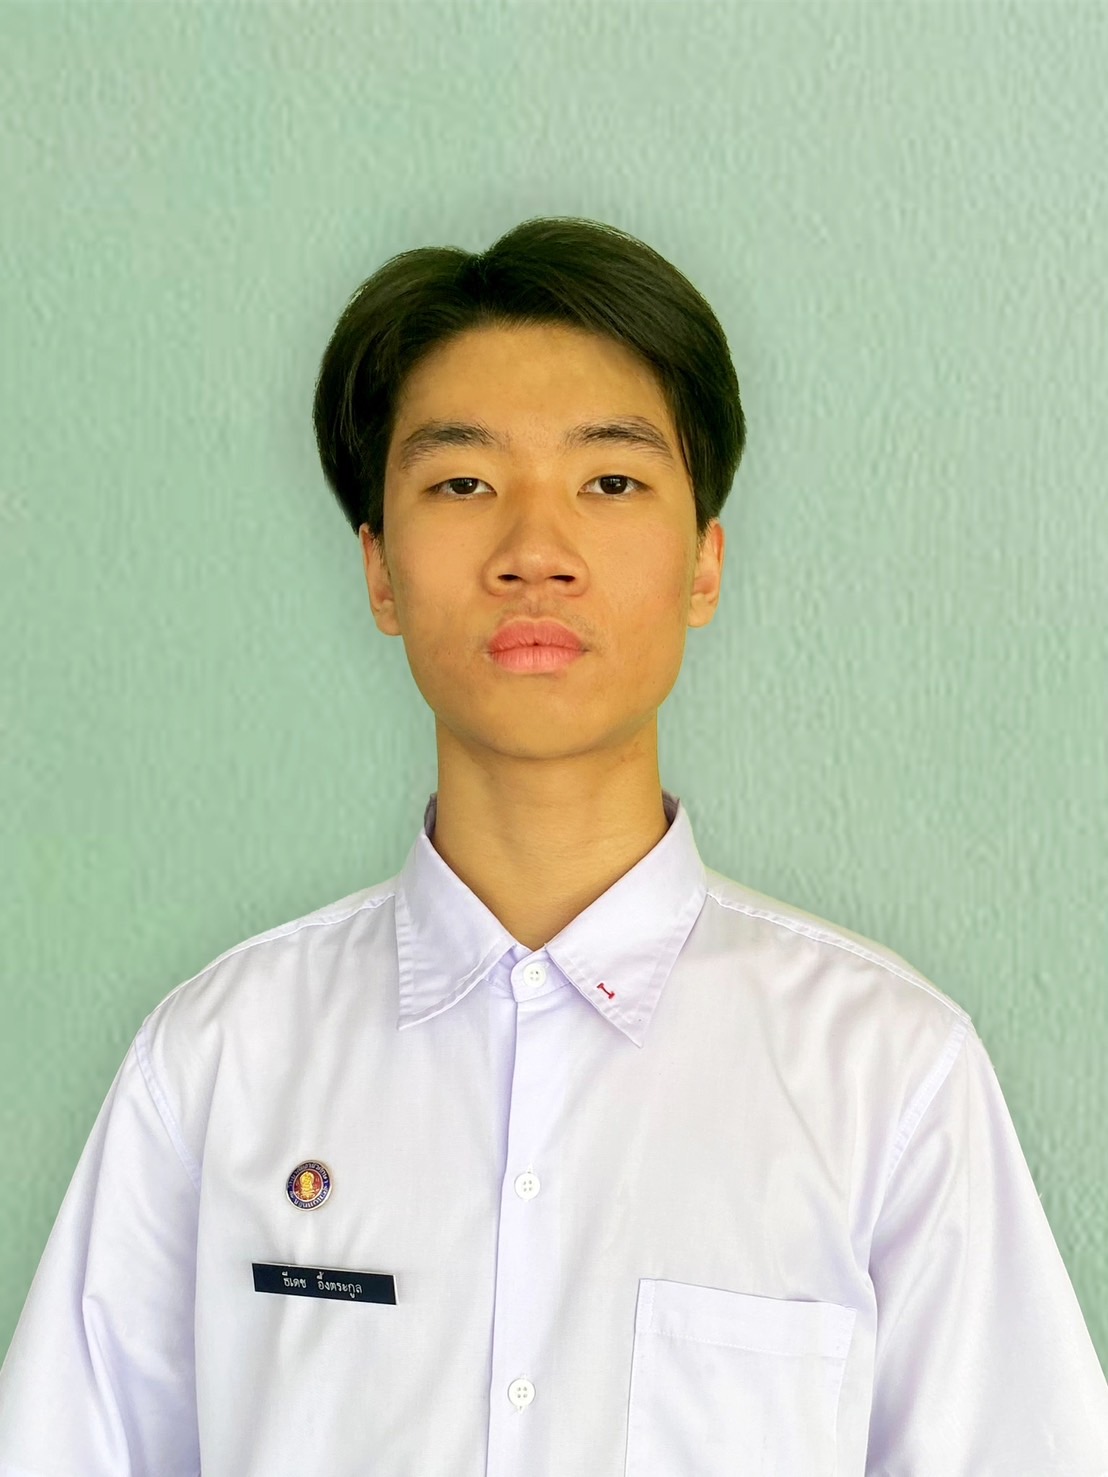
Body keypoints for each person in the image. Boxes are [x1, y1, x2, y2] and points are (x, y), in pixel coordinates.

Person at [1, 215, 1106, 1476]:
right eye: (462, 484)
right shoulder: (217, 1061)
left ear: (703, 564)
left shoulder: (885, 1072)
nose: (535, 552)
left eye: (611, 482)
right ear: (379, 567)